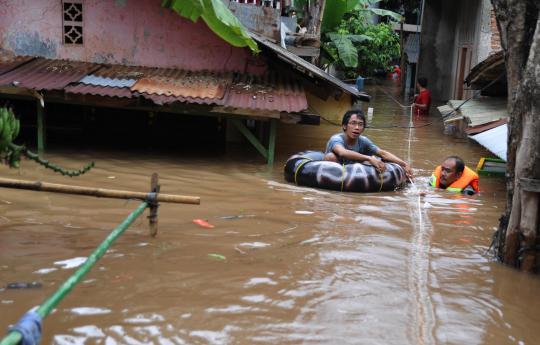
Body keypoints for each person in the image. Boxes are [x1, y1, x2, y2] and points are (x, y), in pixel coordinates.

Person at [324, 110, 413, 177]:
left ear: (363, 128)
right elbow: (342, 152)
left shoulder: (363, 140)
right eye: (353, 123)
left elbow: (382, 153)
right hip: (337, 174)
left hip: (354, 174)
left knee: (375, 160)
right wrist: (369, 158)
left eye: (360, 124)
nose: (357, 127)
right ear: (344, 126)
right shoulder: (336, 139)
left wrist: (404, 164)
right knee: (330, 157)